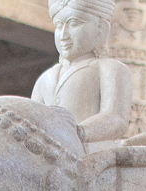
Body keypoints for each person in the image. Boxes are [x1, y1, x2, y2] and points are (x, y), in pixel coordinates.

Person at [31, 0, 134, 151]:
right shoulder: (45, 78)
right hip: (50, 150)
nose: (64, 35)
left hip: (93, 153)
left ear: (101, 29)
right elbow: (33, 119)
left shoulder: (110, 69)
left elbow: (116, 119)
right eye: (59, 26)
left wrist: (79, 131)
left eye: (73, 23)